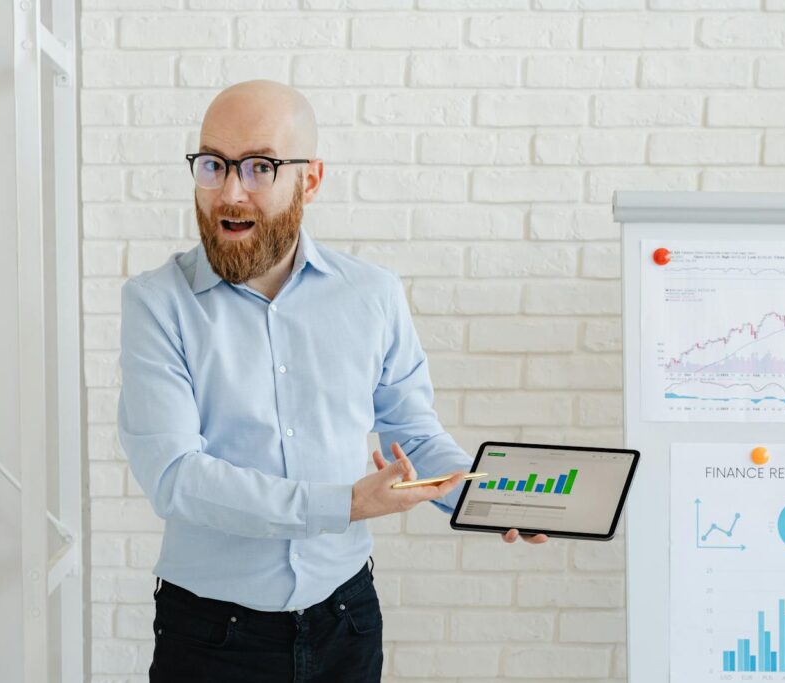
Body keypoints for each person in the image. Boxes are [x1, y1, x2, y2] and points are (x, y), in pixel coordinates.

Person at [117, 79, 548, 683]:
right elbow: (175, 477)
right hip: (212, 637)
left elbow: (413, 437)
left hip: (347, 622)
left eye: (260, 167)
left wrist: (486, 499)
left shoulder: (372, 294)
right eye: (214, 165)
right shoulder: (156, 303)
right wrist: (346, 504)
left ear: (311, 180)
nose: (230, 192)